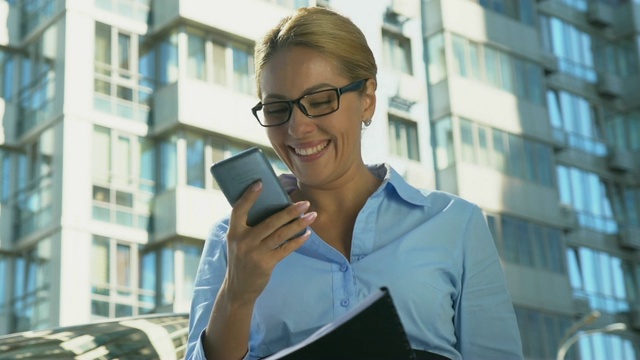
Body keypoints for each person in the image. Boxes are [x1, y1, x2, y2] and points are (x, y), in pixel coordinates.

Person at [186, 6, 523, 360]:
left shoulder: (456, 223)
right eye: (276, 109)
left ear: (368, 99)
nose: (297, 128)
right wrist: (237, 293)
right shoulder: (234, 241)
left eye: (319, 101)